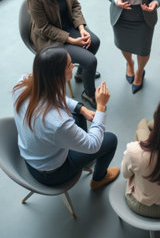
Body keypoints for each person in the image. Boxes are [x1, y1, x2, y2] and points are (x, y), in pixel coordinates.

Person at [12, 45, 120, 189]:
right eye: (70, 65)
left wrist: (81, 109)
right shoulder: (58, 122)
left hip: (33, 155)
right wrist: (101, 107)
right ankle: (99, 179)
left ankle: (84, 155)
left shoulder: (23, 82)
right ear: (58, 76)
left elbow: (55, 95)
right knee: (110, 140)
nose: (74, 66)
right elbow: (93, 145)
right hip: (51, 173)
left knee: (78, 115)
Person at [27, 0, 100, 108]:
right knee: (90, 60)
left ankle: (81, 73)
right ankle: (88, 93)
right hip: (50, 38)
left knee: (94, 42)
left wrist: (81, 28)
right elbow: (44, 28)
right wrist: (71, 39)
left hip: (68, 25)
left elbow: (74, 5)